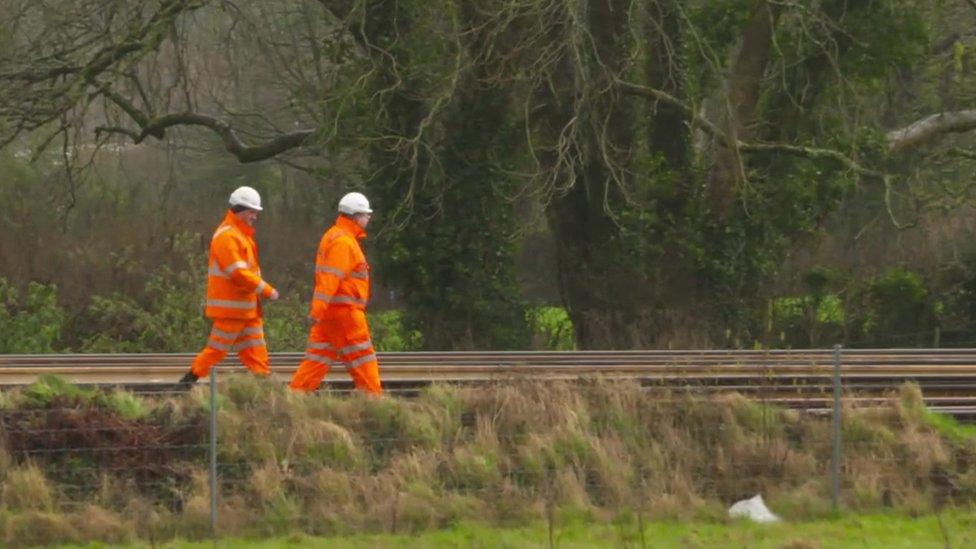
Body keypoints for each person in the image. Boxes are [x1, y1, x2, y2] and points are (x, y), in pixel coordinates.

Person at [179, 186, 279, 384]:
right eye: (252, 212)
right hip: (231, 310)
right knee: (216, 350)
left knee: (257, 352)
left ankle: (266, 388)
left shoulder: (240, 235)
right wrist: (267, 290)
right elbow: (239, 273)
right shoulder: (227, 236)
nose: (255, 216)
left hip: (247, 309)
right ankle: (187, 383)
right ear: (240, 210)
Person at [289, 192, 382, 395]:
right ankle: (376, 402)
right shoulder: (344, 242)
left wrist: (319, 311)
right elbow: (331, 279)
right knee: (364, 359)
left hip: (331, 314)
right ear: (356, 216)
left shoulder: (335, 236)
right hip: (346, 314)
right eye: (366, 214)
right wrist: (317, 309)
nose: (368, 218)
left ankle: (292, 398)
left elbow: (328, 279)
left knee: (316, 361)